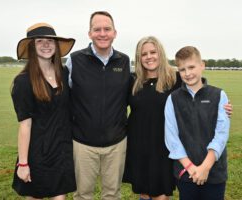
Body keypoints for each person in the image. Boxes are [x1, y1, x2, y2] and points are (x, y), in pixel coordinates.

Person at [65, 11, 130, 200]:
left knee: (112, 194)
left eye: (107, 29)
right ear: (90, 33)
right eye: (97, 29)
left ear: (115, 33)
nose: (103, 33)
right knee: (83, 195)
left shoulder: (124, 61)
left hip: (116, 143)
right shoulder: (75, 60)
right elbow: (60, 94)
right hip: (83, 143)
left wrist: (199, 87)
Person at [11, 22, 76, 199]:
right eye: (39, 41)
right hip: (37, 154)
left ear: (56, 45)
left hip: (62, 151)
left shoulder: (63, 74)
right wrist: (23, 164)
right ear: (32, 46)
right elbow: (25, 125)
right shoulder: (23, 82)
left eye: (50, 40)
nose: (46, 44)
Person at [164, 46, 230, 200]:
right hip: (186, 173)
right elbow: (171, 138)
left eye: (191, 67)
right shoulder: (173, 99)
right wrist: (191, 168)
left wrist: (205, 167)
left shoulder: (219, 95)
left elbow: (221, 134)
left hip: (214, 173)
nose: (187, 73)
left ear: (202, 65)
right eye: (182, 69)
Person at [123, 36, 181, 200]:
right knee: (144, 191)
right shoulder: (134, 81)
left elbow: (199, 94)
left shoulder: (175, 79)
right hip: (138, 145)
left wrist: (222, 106)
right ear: (139, 58)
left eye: (153, 52)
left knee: (160, 194)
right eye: (144, 54)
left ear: (160, 53)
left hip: (162, 147)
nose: (149, 57)